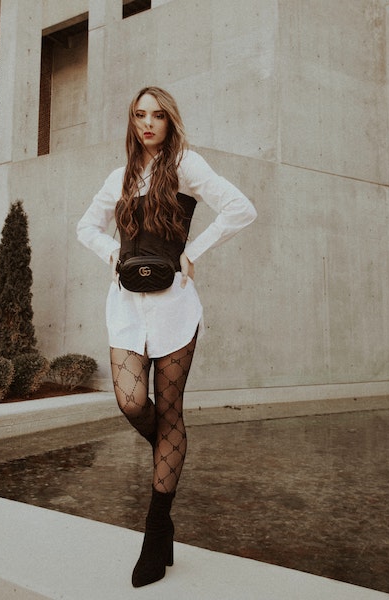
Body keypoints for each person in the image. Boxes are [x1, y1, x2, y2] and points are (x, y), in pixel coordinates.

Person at [76, 86, 257, 587]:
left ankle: (157, 530)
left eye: (157, 115)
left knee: (170, 410)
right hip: (126, 307)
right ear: (132, 121)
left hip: (175, 306)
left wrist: (193, 252)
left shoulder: (186, 165)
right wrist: (114, 255)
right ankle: (169, 456)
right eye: (140, 115)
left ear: (169, 121)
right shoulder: (118, 177)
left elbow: (240, 208)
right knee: (133, 401)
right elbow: (86, 227)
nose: (148, 123)